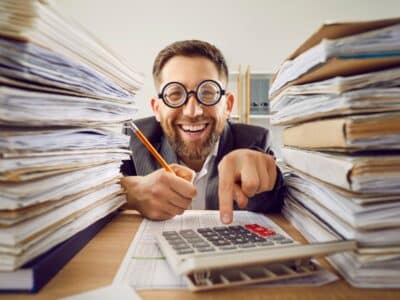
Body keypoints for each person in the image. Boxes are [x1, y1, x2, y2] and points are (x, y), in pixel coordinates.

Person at [121, 40, 284, 224]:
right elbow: (96, 192)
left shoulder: (256, 141)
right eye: (175, 94)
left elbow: (278, 199)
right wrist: (130, 192)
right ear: (157, 109)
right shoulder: (133, 140)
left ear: (228, 105)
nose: (193, 112)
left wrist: (268, 177)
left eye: (207, 93)